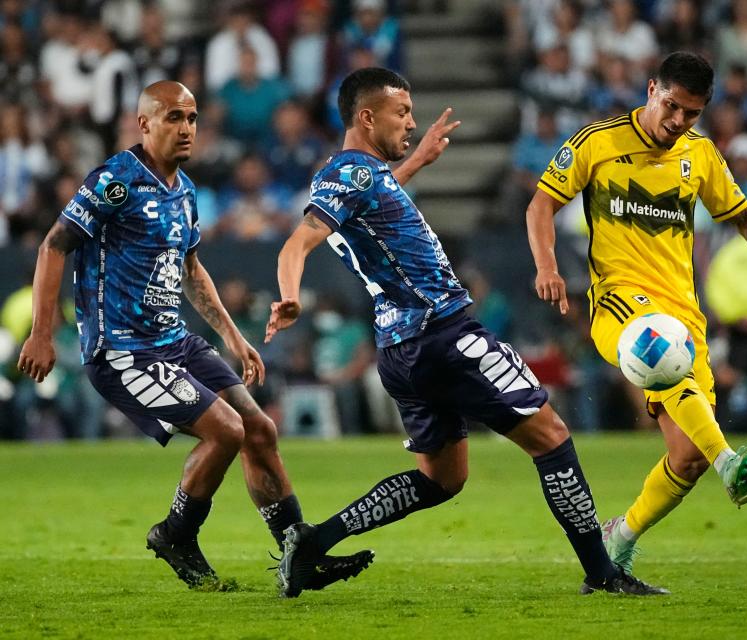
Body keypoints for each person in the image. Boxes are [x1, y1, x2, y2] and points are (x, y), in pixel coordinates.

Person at [264, 67, 666, 599]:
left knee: (441, 479)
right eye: (401, 113)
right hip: (445, 336)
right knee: (552, 438)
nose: (411, 121)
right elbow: (298, 242)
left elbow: (372, 202)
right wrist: (289, 294)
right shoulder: (346, 176)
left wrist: (415, 162)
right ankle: (603, 572)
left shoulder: (363, 177)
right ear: (366, 117)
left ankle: (312, 544)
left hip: (403, 349)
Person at [16, 81, 372, 590]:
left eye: (192, 118)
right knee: (226, 429)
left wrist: (231, 334)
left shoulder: (184, 190)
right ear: (145, 124)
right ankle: (177, 533)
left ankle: (300, 550)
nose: (187, 129)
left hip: (175, 341)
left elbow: (192, 268)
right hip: (123, 350)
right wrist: (41, 333)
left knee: (259, 430)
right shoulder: (115, 180)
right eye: (174, 118)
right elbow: (53, 246)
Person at [524, 52, 747, 578]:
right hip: (619, 302)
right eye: (672, 106)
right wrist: (548, 265)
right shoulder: (598, 141)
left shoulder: (700, 155)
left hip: (684, 314)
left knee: (686, 457)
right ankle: (730, 461)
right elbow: (541, 204)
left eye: (692, 114)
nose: (678, 121)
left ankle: (621, 537)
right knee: (662, 360)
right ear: (652, 88)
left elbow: (743, 216)